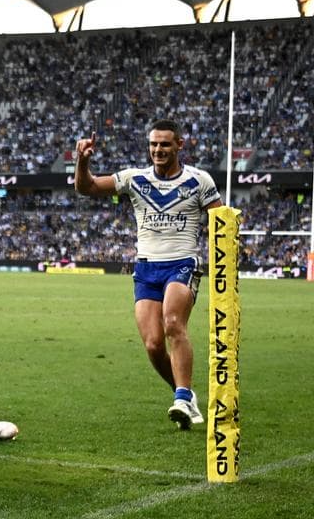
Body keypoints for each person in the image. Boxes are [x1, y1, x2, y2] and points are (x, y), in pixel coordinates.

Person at [73, 119, 221, 430]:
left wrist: (226, 263)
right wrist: (82, 161)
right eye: (154, 144)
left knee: (172, 322)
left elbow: (222, 222)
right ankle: (185, 395)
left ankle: (182, 395)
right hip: (146, 267)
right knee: (153, 345)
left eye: (165, 144)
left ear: (179, 145)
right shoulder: (134, 179)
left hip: (183, 262)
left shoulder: (200, 181)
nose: (158, 150)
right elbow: (85, 188)